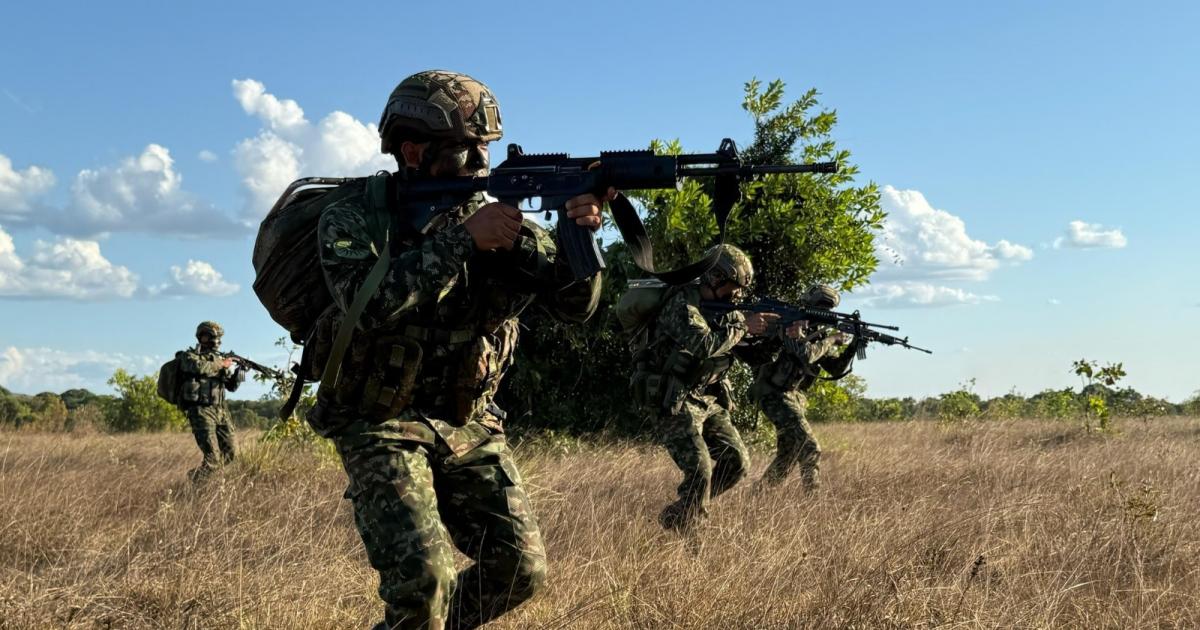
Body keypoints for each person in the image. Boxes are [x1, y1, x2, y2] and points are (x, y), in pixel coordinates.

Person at [305, 70, 608, 630]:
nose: (482, 164)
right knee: (425, 583)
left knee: (519, 570)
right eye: (468, 149)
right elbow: (368, 308)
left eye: (487, 148)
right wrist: (463, 240)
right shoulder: (352, 218)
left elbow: (575, 306)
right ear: (415, 150)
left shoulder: (499, 219)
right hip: (378, 417)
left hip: (468, 420)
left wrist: (579, 230)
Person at [631, 244, 776, 533]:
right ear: (715, 278)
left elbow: (752, 356)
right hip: (672, 398)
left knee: (737, 462)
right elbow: (704, 344)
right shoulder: (681, 303)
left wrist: (776, 337)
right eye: (733, 287)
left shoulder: (729, 312)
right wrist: (744, 327)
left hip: (707, 397)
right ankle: (693, 534)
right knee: (700, 469)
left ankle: (679, 514)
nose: (737, 295)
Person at [746, 284, 862, 490]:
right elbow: (806, 354)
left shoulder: (815, 333)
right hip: (773, 393)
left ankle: (759, 494)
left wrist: (853, 345)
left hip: (789, 396)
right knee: (810, 448)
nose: (823, 312)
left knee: (789, 453)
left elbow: (835, 369)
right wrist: (833, 338)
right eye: (820, 307)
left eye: (827, 309)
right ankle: (813, 502)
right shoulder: (790, 323)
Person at [175, 320, 243, 480]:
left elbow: (231, 387)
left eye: (219, 338)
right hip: (201, 412)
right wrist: (223, 364)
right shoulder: (189, 356)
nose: (218, 341)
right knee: (213, 459)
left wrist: (238, 373)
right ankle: (196, 483)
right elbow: (199, 368)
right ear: (203, 337)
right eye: (214, 337)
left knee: (231, 455)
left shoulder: (218, 360)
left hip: (221, 410)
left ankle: (212, 484)